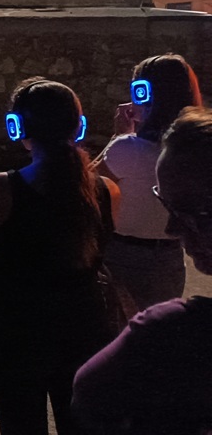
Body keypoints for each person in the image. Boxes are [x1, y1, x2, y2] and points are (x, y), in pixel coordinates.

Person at [0, 78, 120, 435]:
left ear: (17, 126)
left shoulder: (1, 187)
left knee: (19, 425)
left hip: (14, 326)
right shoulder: (106, 191)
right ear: (78, 127)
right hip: (84, 324)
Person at [72, 106, 212, 435]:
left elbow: (91, 399)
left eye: (195, 211)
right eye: (165, 203)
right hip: (165, 265)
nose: (171, 227)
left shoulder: (176, 334)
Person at [92, 54, 202, 310]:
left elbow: (85, 183)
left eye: (137, 90)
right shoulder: (192, 148)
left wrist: (117, 135)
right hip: (170, 257)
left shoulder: (129, 149)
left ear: (150, 95)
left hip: (122, 255)